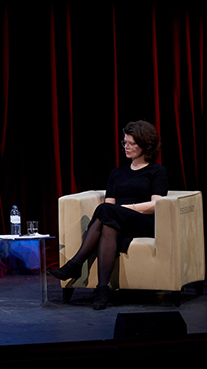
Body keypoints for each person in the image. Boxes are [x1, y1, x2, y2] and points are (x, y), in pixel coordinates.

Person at [48, 120, 169, 310]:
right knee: (107, 223)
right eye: (124, 143)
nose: (126, 147)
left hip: (142, 221)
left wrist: (129, 208)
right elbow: (110, 204)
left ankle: (76, 263)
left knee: (106, 211)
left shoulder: (157, 171)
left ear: (145, 146)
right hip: (117, 220)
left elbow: (156, 205)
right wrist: (117, 212)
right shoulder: (117, 173)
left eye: (131, 143)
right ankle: (102, 290)